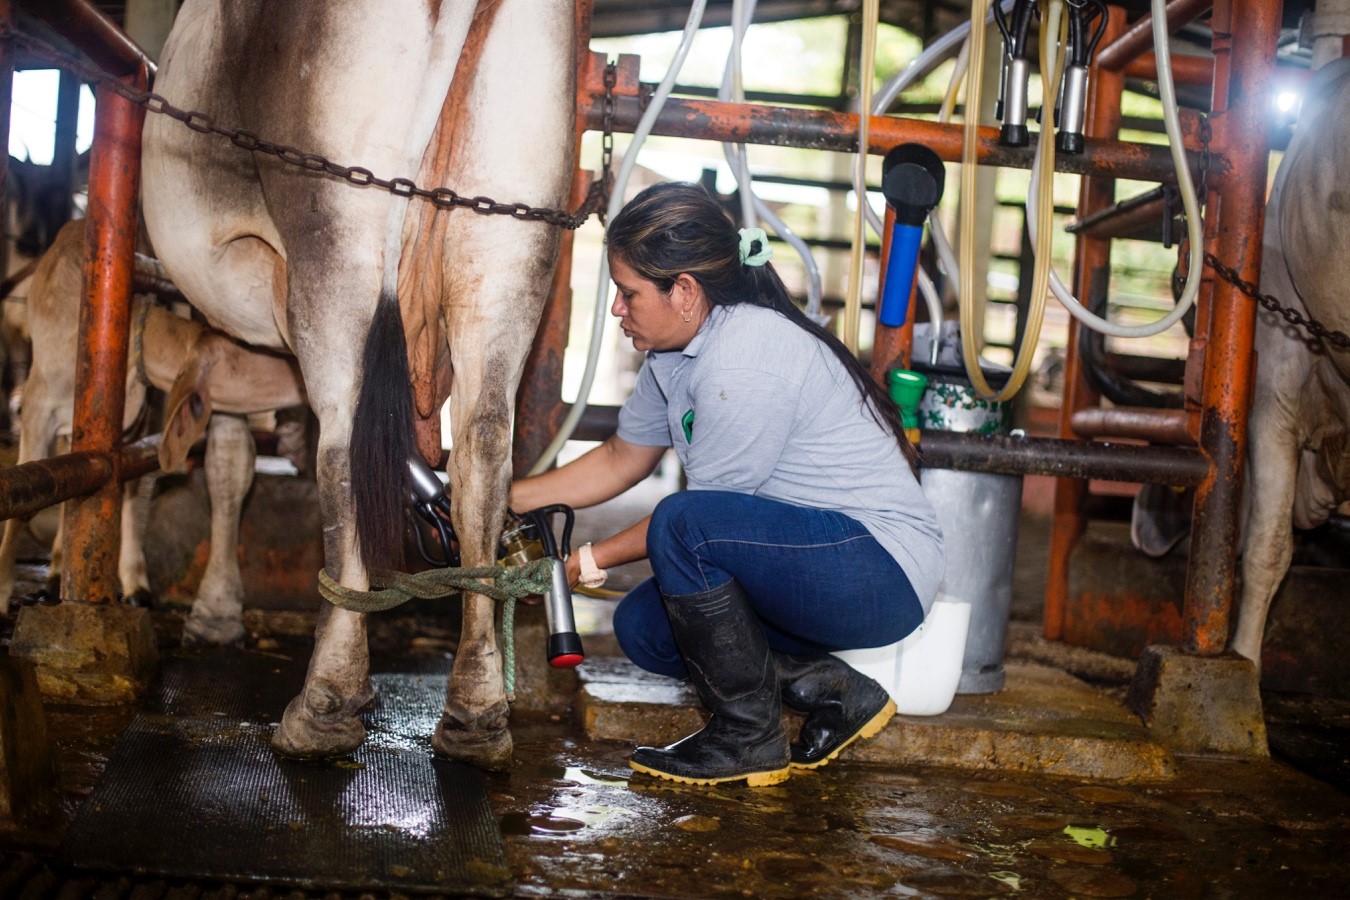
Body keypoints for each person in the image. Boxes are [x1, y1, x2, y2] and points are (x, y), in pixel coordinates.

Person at [510, 182, 945, 787]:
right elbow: (620, 457)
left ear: (684, 291)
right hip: (812, 563)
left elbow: (699, 523)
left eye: (629, 293)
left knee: (683, 525)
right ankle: (838, 691)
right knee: (647, 627)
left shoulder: (742, 356)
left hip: (875, 571)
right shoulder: (672, 357)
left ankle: (748, 739)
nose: (618, 309)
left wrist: (585, 559)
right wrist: (500, 500)